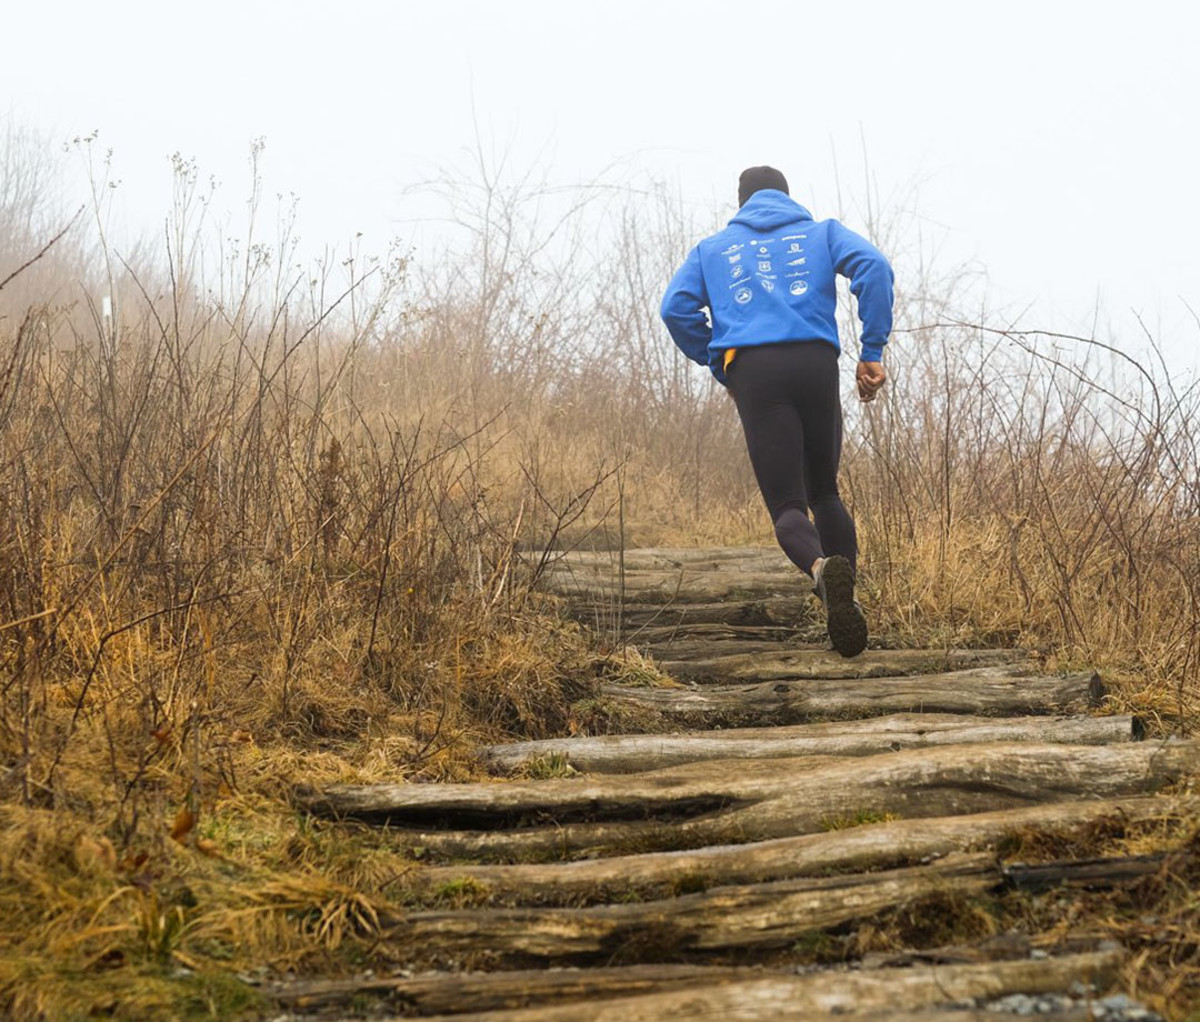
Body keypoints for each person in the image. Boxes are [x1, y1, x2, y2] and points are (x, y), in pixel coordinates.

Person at [660, 166, 893, 658]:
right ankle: (844, 601)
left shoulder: (712, 250)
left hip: (756, 370)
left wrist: (718, 360)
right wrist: (871, 349)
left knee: (789, 506)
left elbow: (675, 310)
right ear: (788, 197)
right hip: (815, 360)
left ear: (741, 203)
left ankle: (820, 573)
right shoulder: (821, 233)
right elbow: (873, 267)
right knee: (825, 492)